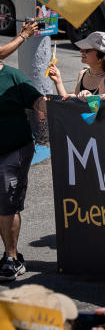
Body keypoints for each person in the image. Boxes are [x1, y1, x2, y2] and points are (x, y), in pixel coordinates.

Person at [0, 62, 46, 281]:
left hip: (13, 150)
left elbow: (37, 100)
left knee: (7, 202)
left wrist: (47, 104)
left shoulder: (12, 76)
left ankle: (12, 258)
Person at [48, 31, 105, 98]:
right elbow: (71, 105)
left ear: (102, 56)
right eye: (82, 48)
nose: (81, 51)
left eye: (87, 49)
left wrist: (91, 99)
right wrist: (58, 81)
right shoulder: (82, 74)